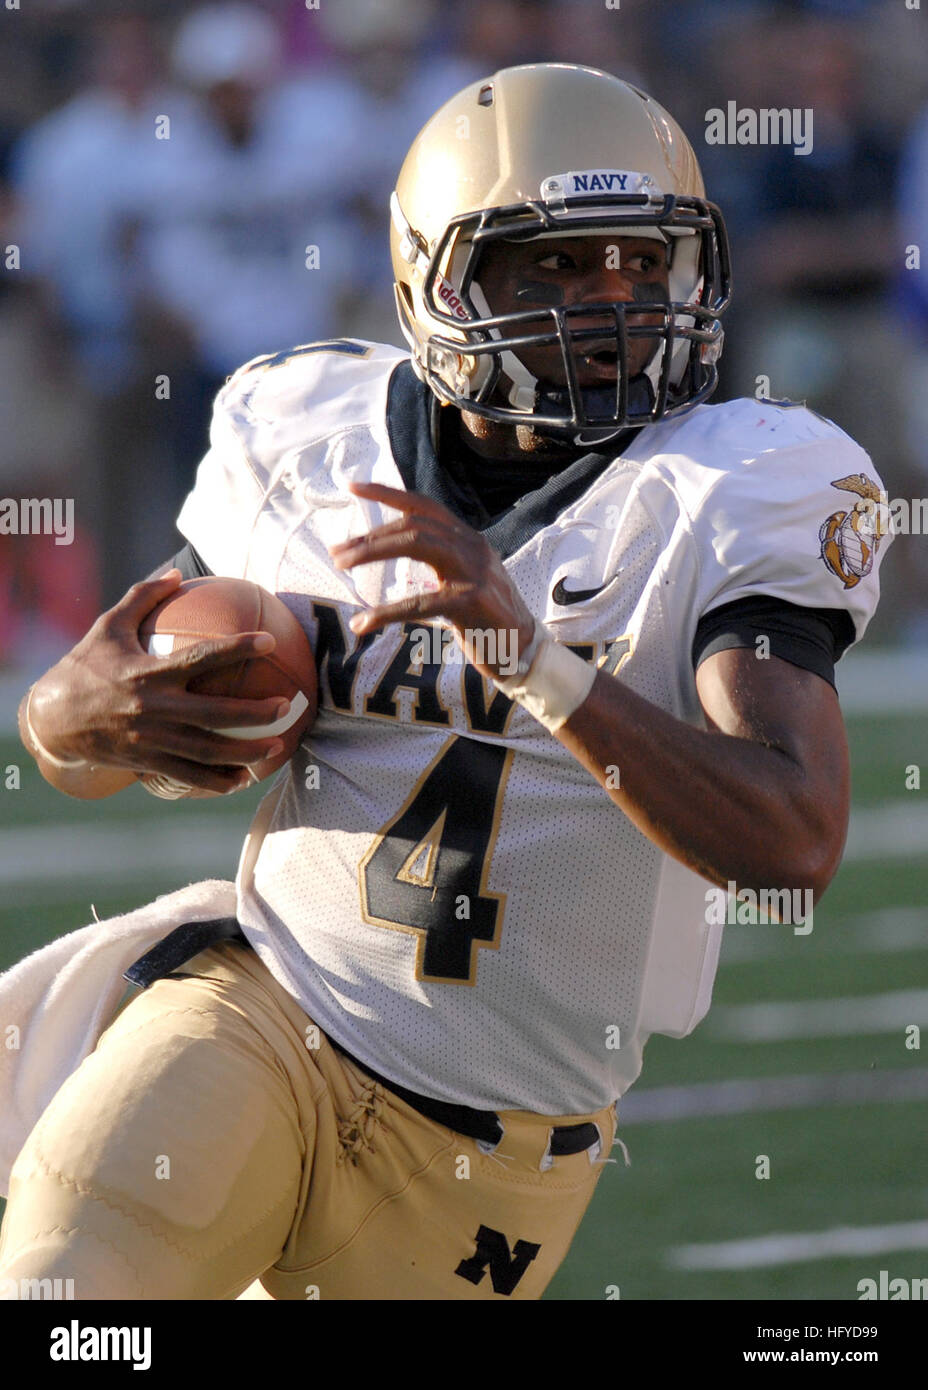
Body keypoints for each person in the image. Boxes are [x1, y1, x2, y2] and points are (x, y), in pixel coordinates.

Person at [0, 64, 889, 1301]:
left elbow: (792, 837)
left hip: (501, 1143)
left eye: (638, 260)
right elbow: (99, 706)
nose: (612, 302)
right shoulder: (312, 437)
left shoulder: (728, 489)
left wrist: (537, 661)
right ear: (434, 279)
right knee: (65, 1298)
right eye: (555, 269)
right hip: (267, 1013)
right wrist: (61, 717)